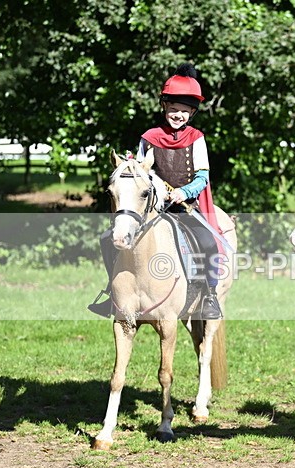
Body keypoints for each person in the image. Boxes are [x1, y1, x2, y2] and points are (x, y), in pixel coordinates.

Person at [88, 63, 224, 320]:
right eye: (173, 109)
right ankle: (113, 292)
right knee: (108, 238)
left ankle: (210, 295)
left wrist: (183, 192)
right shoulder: (149, 137)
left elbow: (202, 177)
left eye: (184, 111)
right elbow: (142, 173)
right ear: (164, 107)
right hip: (153, 209)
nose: (178, 115)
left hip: (184, 208)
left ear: (192, 113)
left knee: (208, 242)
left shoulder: (196, 138)